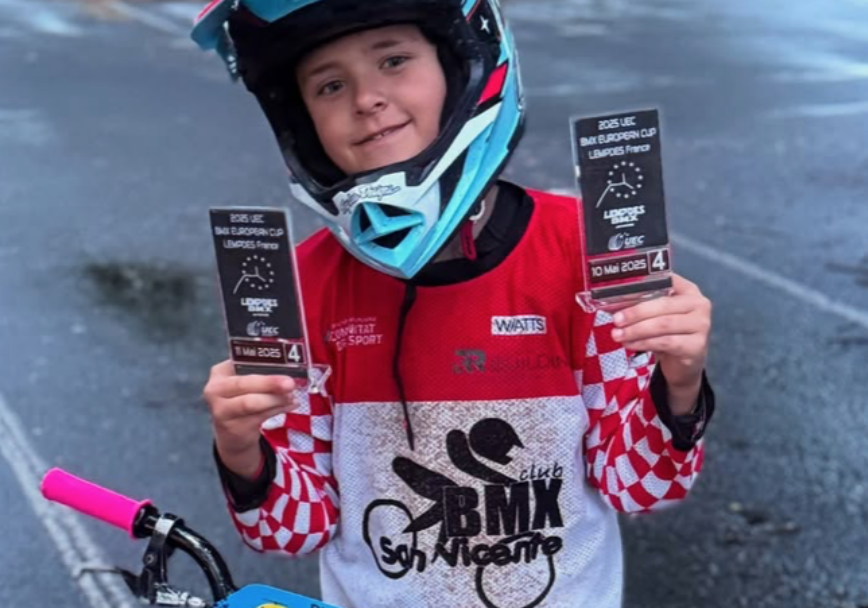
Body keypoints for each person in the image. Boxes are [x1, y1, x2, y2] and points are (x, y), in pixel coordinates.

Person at [192, 1, 716, 606]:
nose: (367, 99)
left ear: (461, 62)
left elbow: (641, 488)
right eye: (330, 85)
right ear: (301, 119)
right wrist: (241, 448)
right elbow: (292, 530)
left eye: (394, 60)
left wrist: (680, 384)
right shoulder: (301, 283)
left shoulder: (579, 249)